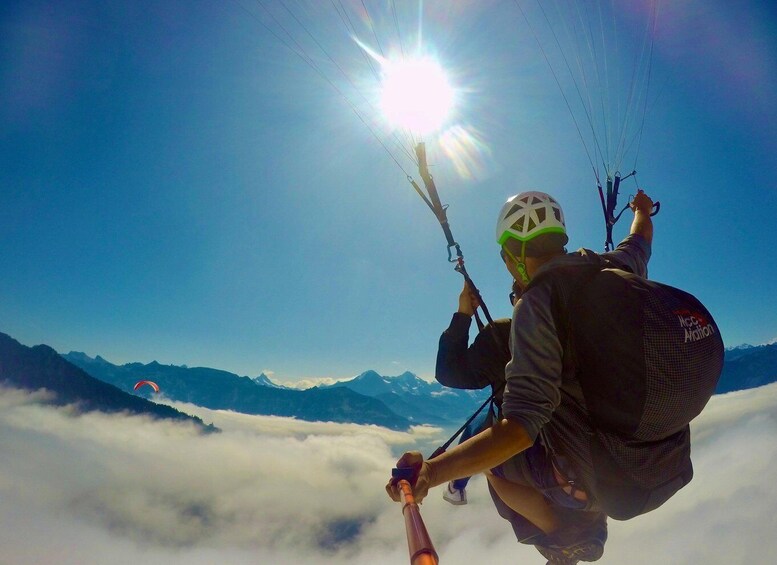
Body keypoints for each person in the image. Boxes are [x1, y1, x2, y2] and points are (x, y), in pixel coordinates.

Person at [387, 189, 657, 564]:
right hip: (629, 460)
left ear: (512, 256)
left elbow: (451, 375)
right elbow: (639, 242)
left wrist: (463, 314)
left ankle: (558, 539)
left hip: (574, 475)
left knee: (492, 458)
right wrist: (642, 210)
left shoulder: (506, 333)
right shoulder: (612, 273)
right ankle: (588, 522)